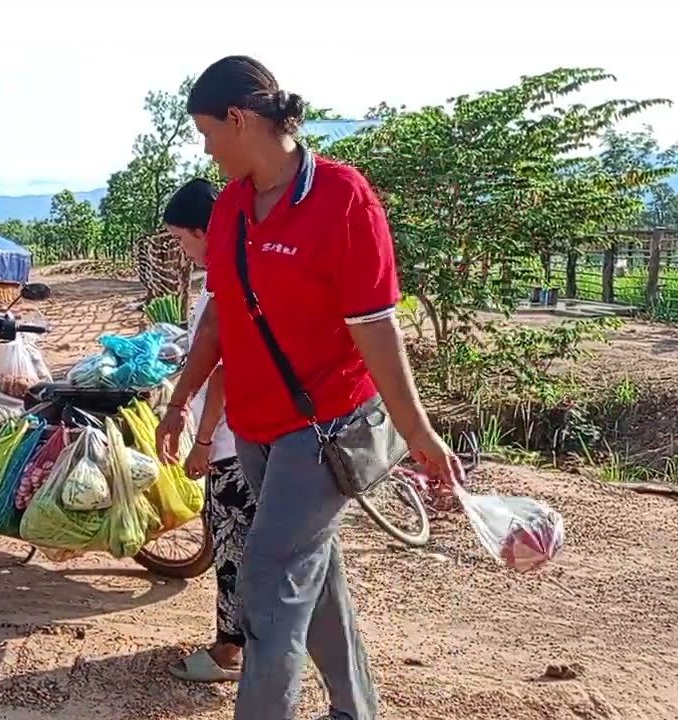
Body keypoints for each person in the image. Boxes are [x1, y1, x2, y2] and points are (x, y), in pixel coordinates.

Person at [155, 56, 464, 720]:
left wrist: (418, 433)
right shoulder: (235, 201)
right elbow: (220, 313)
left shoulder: (343, 198)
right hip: (262, 431)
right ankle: (357, 709)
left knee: (268, 589)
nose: (206, 148)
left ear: (239, 120)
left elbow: (376, 329)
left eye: (208, 132)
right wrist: (181, 400)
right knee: (312, 582)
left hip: (326, 427)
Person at [159, 178, 253, 684]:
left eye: (180, 239)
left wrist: (199, 439)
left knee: (233, 544)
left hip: (232, 440)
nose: (180, 249)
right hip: (245, 434)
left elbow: (226, 369)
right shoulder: (235, 271)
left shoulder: (230, 278)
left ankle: (229, 653)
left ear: (203, 231)